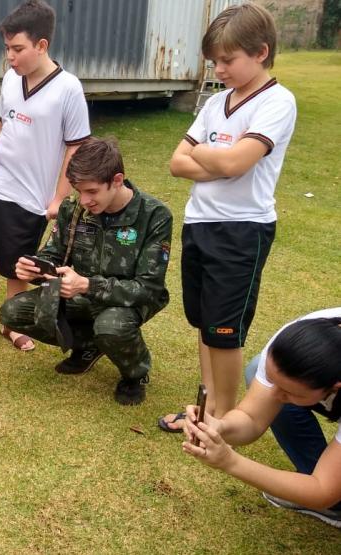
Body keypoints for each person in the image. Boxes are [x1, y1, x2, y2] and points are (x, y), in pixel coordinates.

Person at [161, 4, 297, 431]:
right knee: (203, 321)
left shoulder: (278, 101)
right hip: (199, 222)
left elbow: (238, 162)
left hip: (243, 230)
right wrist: (219, 160)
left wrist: (214, 157)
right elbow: (176, 163)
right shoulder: (217, 102)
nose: (219, 69)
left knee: (225, 329)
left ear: (261, 51)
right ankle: (207, 406)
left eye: (228, 59)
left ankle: (224, 417)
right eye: (215, 60)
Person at [0, 0, 90, 353]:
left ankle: (11, 320)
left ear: (41, 45)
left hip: (31, 194)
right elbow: (1, 124)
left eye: (17, 49)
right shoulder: (11, 79)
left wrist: (58, 198)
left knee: (18, 260)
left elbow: (76, 148)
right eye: (7, 49)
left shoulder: (69, 88)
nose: (10, 57)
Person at [0, 138, 171, 405]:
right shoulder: (74, 209)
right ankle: (88, 347)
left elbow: (149, 289)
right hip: (81, 294)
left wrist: (87, 286)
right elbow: (53, 255)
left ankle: (134, 373)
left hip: (129, 300)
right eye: (79, 191)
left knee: (111, 326)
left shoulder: (153, 215)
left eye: (92, 191)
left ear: (117, 180)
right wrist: (34, 269)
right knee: (12, 312)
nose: (85, 200)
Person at [183, 309, 341, 529]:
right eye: (272, 381)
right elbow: (251, 418)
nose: (275, 396)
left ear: (334, 388)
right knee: (256, 367)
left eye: (288, 392)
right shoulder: (295, 337)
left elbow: (322, 490)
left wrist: (230, 462)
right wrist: (221, 426)